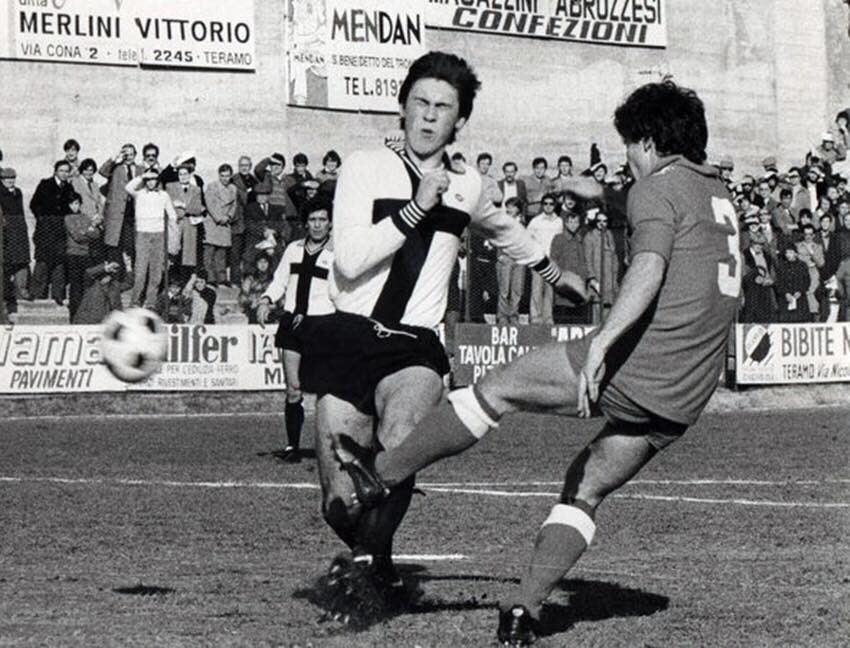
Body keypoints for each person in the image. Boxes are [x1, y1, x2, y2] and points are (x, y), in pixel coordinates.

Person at [336, 80, 741, 646]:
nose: (626, 157)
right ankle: (524, 609)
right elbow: (659, 215)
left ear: (647, 142)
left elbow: (649, 267)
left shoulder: (658, 190)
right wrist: (597, 191)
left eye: (628, 144)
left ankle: (380, 476)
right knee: (584, 488)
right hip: (687, 392)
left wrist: (601, 345)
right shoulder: (715, 193)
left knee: (496, 389)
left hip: (641, 364)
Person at [296, 51, 584, 616]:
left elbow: (506, 232)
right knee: (340, 504)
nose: (429, 117)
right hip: (349, 337)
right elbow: (350, 261)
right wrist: (414, 209)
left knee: (402, 437)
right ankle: (376, 566)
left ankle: (359, 572)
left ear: (460, 121)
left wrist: (556, 275)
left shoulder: (469, 184)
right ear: (402, 107)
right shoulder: (361, 166)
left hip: (413, 343)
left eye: (443, 108)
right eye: (420, 103)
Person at [256, 195, 335, 463]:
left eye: (322, 220)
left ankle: (330, 447)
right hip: (292, 324)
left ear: (330, 223)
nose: (317, 225)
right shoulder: (293, 249)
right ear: (305, 223)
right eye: (312, 220)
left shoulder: (337, 253)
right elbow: (279, 282)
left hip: (323, 325)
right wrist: (267, 300)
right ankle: (293, 447)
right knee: (293, 388)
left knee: (327, 389)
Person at [125, 170, 178, 309]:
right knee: (141, 271)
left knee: (156, 272)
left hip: (159, 236)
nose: (151, 182)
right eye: (148, 179)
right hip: (142, 235)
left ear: (158, 180)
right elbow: (128, 187)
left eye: (154, 179)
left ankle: (150, 302)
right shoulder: (139, 193)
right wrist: (143, 175)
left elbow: (172, 214)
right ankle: (135, 302)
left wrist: (173, 233)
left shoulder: (164, 195)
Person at [30, 159, 75, 303]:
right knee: (42, 262)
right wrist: (43, 219)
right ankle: (37, 294)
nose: (64, 173)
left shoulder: (69, 188)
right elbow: (34, 204)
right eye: (61, 170)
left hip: (61, 231)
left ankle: (58, 295)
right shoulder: (45, 184)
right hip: (45, 230)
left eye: (66, 171)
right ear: (55, 171)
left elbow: (71, 206)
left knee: (60, 263)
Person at [99, 144, 143, 267]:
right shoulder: (115, 168)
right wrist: (115, 158)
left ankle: (131, 277)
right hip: (117, 215)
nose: (128, 157)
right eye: (126, 154)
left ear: (135, 155)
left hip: (133, 215)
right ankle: (116, 279)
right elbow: (102, 171)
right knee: (115, 247)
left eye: (131, 154)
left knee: (131, 247)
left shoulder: (141, 170)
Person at [64, 191, 102, 321]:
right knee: (75, 286)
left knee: (86, 285)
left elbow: (96, 234)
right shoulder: (68, 218)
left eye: (76, 203)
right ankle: (74, 315)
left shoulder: (85, 217)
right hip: (73, 255)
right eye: (71, 204)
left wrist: (86, 231)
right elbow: (77, 236)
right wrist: (89, 230)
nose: (74, 206)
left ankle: (85, 314)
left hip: (85, 255)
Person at [527, 193, 564, 323]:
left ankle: (548, 319)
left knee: (549, 292)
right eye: (545, 204)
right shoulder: (535, 221)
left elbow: (560, 241)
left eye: (551, 204)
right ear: (542, 205)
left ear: (555, 206)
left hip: (552, 262)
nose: (548, 206)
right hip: (538, 260)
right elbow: (527, 239)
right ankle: (536, 318)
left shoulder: (559, 222)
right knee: (536, 290)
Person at [166, 165, 205, 283]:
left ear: (190, 175)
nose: (183, 177)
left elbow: (197, 208)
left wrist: (182, 206)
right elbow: (170, 206)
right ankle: (172, 283)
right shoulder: (170, 187)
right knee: (174, 253)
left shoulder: (196, 189)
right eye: (180, 174)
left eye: (185, 174)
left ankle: (185, 282)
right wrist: (180, 209)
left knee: (188, 257)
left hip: (189, 226)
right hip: (175, 224)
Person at [203, 164, 237, 286]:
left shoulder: (233, 188)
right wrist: (219, 218)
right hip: (213, 223)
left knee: (221, 254)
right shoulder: (212, 187)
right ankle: (210, 278)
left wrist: (228, 217)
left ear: (230, 176)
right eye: (222, 176)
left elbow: (234, 205)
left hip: (225, 224)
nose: (225, 179)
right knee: (209, 253)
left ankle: (221, 278)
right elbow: (209, 204)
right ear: (219, 175)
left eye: (227, 176)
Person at [583, 210, 620, 323]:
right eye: (599, 221)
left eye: (605, 221)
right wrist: (593, 280)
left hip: (610, 282)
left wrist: (615, 279)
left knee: (609, 315)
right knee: (597, 315)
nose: (602, 223)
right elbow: (587, 260)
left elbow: (614, 257)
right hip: (598, 281)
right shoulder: (590, 237)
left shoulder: (609, 235)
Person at [0, 168, 30, 305]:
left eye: (12, 178)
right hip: (6, 230)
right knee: (7, 262)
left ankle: (21, 290)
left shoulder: (18, 192)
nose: (10, 181)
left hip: (19, 229)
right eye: (7, 178)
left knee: (22, 261)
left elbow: (21, 211)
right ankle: (6, 292)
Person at [496, 197, 526, 324]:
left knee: (517, 290)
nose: (509, 209)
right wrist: (500, 255)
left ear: (518, 209)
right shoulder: (502, 222)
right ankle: (502, 315)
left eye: (512, 206)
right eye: (507, 206)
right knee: (504, 289)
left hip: (519, 259)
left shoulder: (523, 224)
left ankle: (513, 315)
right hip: (506, 258)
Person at [230, 156, 258, 287]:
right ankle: (235, 280)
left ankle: (248, 279)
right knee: (235, 253)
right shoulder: (233, 179)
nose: (244, 167)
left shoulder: (254, 180)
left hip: (251, 221)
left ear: (250, 166)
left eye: (247, 165)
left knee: (249, 252)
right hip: (237, 221)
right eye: (242, 165)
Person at [72, 260, 123, 325]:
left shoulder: (113, 287)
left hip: (102, 323)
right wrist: (106, 268)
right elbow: (88, 273)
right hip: (85, 322)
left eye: (110, 276)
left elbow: (128, 283)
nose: (108, 278)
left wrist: (128, 267)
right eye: (106, 275)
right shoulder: (91, 284)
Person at [775, 245, 810, 323]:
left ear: (796, 254)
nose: (788, 254)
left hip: (800, 300)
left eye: (790, 252)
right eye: (786, 252)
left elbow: (807, 281)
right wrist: (785, 293)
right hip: (785, 300)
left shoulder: (802, 265)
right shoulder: (782, 266)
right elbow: (779, 282)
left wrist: (800, 291)